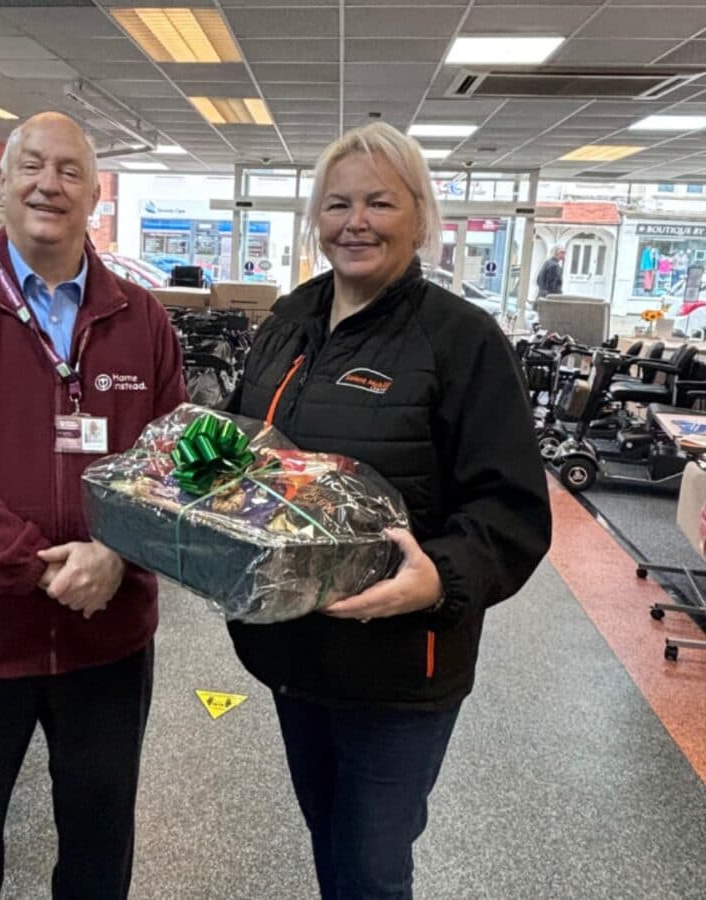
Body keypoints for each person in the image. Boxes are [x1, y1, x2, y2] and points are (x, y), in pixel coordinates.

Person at [223, 122, 551, 900]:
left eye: (380, 202)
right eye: (338, 204)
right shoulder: (288, 322)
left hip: (403, 663)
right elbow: (243, 454)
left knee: (371, 865)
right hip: (291, 651)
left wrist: (437, 579)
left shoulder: (461, 339)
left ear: (420, 216)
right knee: (329, 837)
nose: (356, 221)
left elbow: (511, 508)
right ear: (316, 219)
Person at [0, 112, 187, 900]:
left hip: (108, 639)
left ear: (95, 196)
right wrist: (35, 567)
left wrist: (117, 554)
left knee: (98, 844)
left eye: (71, 171)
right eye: (31, 166)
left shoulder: (142, 319)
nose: (49, 184)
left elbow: (174, 462)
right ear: (3, 185)